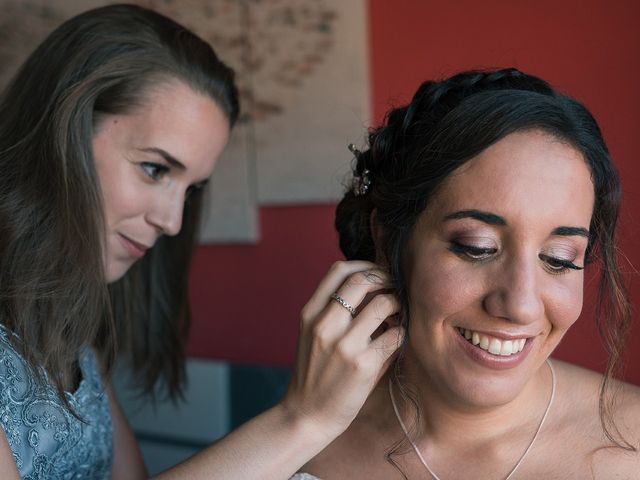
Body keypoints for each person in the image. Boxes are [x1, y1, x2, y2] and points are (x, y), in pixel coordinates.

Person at [0, 4, 404, 479]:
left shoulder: (70, 330)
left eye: (190, 190)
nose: (172, 221)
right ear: (62, 131)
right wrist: (303, 420)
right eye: (154, 168)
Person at [292, 68, 640, 479]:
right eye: (477, 247)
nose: (520, 305)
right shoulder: (296, 441)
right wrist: (301, 424)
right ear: (388, 242)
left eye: (560, 258)